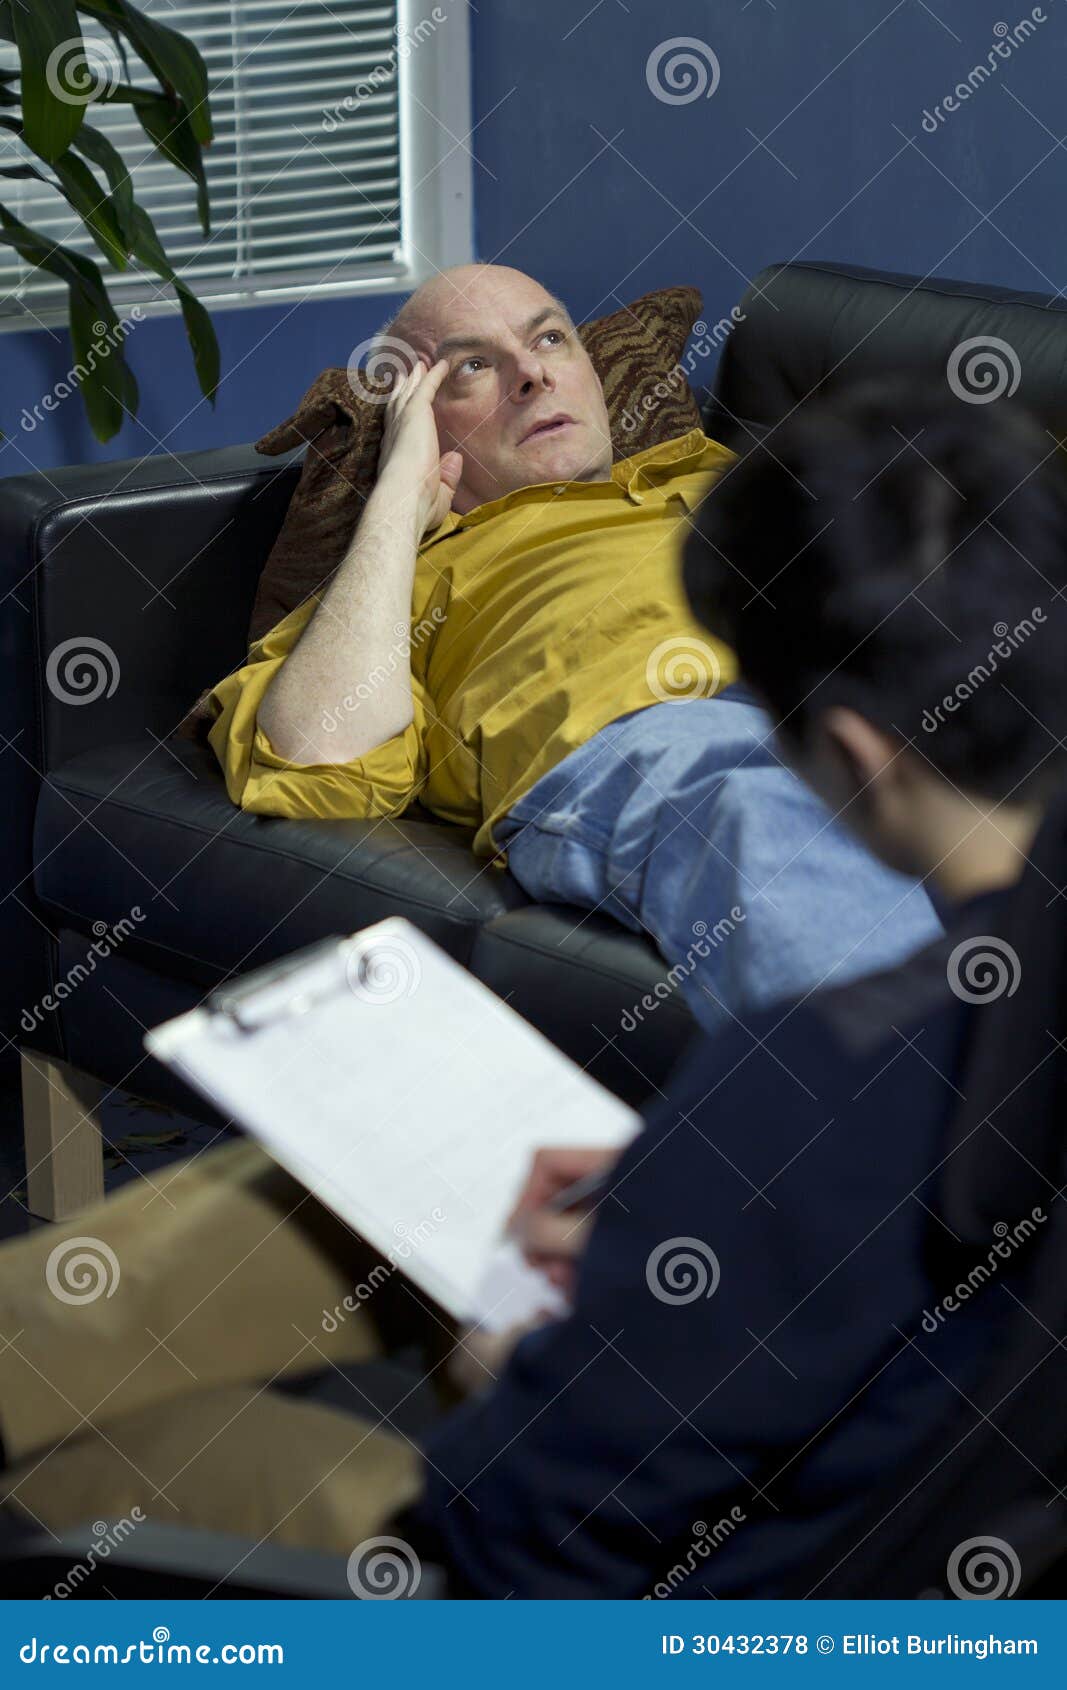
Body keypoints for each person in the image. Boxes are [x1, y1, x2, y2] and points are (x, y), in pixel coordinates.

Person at [2, 386, 1063, 1597]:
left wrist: (519, 1356)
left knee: (72, 1470)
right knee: (382, 1169)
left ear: (853, 757)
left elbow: (514, 1530)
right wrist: (671, 1202)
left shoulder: (831, 1074)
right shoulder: (909, 1063)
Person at [203, 263, 939, 1034]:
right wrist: (395, 494)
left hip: (878, 702)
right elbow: (314, 755)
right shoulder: (406, 579)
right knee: (752, 803)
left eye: (550, 338)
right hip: (668, 740)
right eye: (473, 368)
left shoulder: (735, 473)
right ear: (424, 425)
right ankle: (932, 1126)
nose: (532, 376)